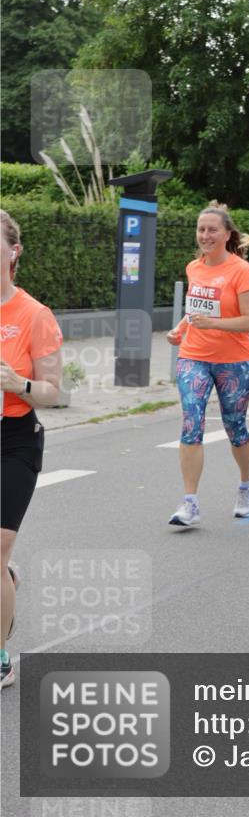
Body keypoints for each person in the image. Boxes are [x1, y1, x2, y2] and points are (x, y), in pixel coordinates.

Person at [166, 203, 249, 527]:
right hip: (193, 356)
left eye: (212, 230)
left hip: (235, 362)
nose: (205, 235)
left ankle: (247, 484)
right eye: (201, 229)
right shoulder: (195, 266)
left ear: (227, 234)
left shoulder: (242, 271)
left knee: (235, 427)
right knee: (191, 422)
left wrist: (214, 323)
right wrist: (181, 328)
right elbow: (196, 310)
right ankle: (189, 501)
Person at [1, 210, 63, 689]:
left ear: (13, 250)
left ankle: (1, 657)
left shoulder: (33, 315)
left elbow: (52, 392)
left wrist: (16, 382)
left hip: (15, 438)